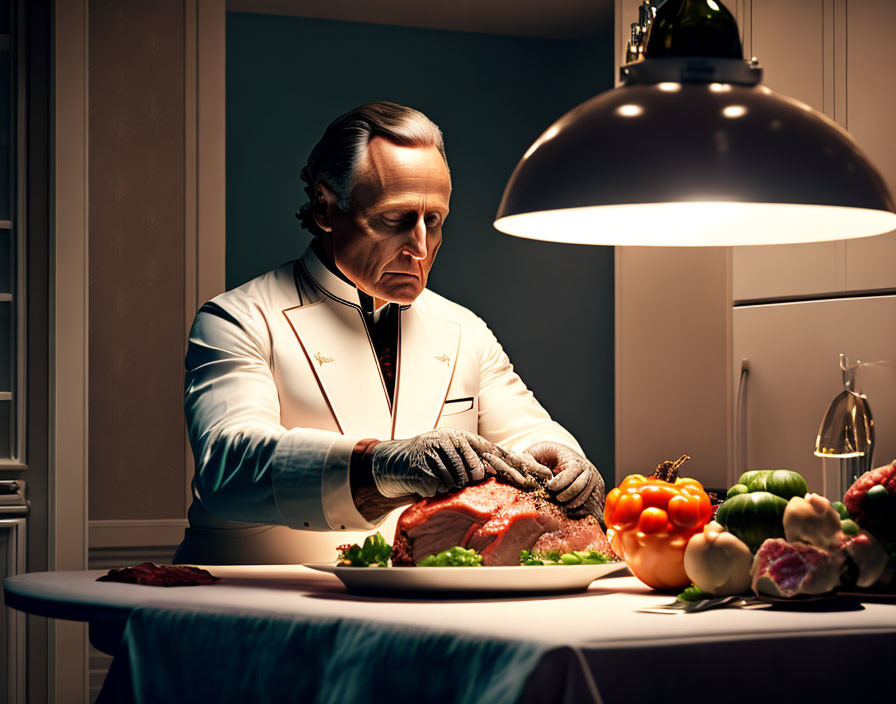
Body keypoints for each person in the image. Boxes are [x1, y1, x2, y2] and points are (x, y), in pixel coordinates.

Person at [174, 102, 605, 565]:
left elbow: (528, 432)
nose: (420, 248)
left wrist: (565, 460)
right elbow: (229, 465)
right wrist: (380, 465)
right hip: (248, 607)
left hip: (413, 612)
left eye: (433, 221)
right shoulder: (237, 318)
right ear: (324, 207)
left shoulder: (465, 330)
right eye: (395, 220)